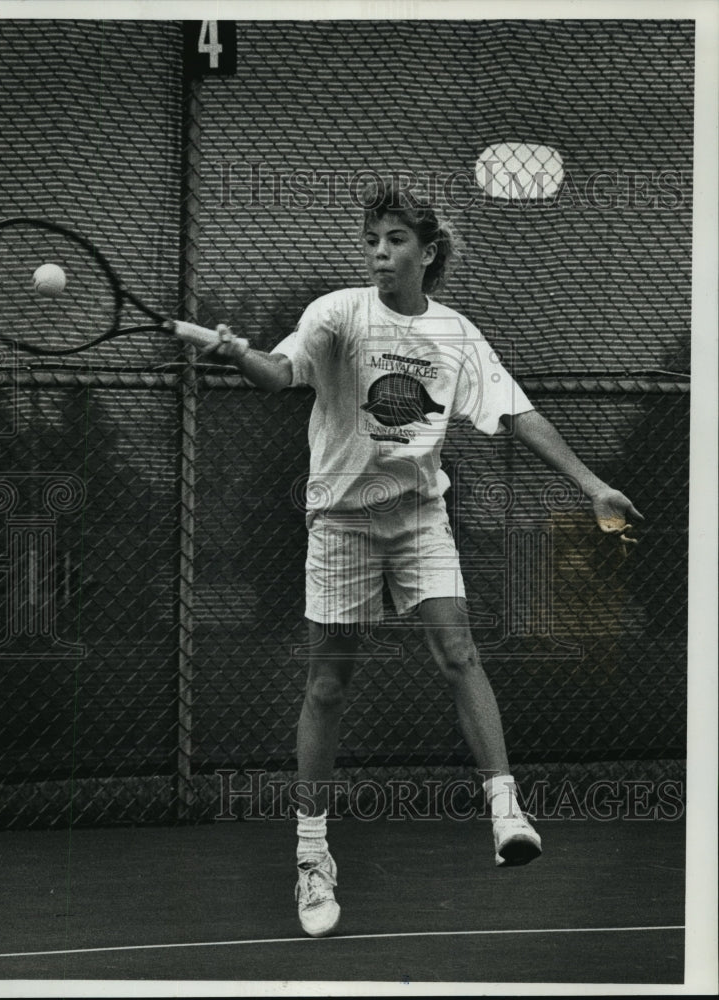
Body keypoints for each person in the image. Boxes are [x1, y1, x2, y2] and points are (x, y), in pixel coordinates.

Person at [175, 179, 642, 939]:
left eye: (395, 241)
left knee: (459, 649)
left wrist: (592, 484)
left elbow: (516, 411)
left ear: (427, 253)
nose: (380, 253)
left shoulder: (455, 335)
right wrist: (236, 353)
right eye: (372, 241)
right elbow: (279, 374)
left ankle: (505, 812)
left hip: (420, 517)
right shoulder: (337, 315)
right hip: (340, 523)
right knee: (328, 684)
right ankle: (312, 857)